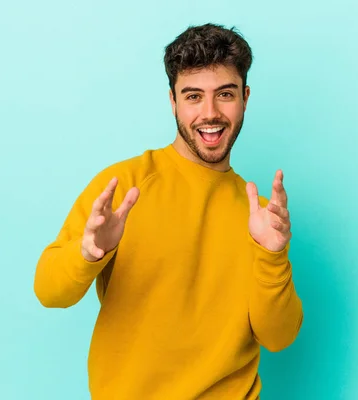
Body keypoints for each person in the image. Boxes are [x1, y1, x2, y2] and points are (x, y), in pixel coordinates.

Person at [34, 22, 303, 399]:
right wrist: (91, 251)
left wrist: (272, 257)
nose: (210, 113)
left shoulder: (260, 217)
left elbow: (279, 336)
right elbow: (48, 291)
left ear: (245, 97)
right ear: (173, 100)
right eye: (193, 96)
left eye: (224, 94)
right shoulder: (125, 184)